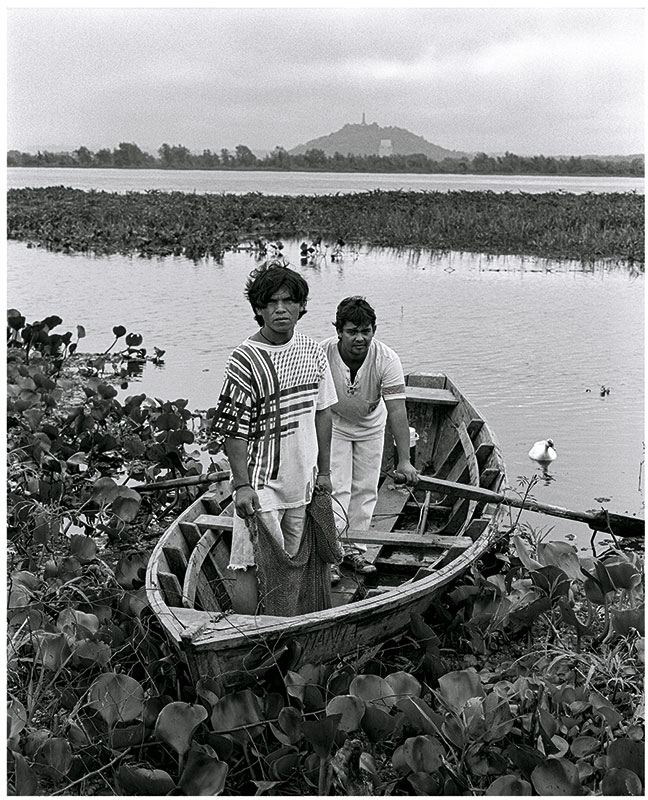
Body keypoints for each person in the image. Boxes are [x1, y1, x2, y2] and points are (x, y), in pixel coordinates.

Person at [212, 264, 337, 613]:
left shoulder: (313, 352)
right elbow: (233, 429)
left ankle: (285, 627)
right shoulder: (245, 359)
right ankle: (248, 635)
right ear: (259, 310)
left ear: (301, 306)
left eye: (288, 300)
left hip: (303, 481)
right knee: (251, 564)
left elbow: (323, 413)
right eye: (271, 302)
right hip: (261, 482)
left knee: (293, 563)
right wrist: (241, 485)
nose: (280, 309)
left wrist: (323, 473)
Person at [321, 296, 419, 578]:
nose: (360, 338)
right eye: (352, 331)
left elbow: (398, 411)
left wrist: (405, 461)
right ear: (339, 330)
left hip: (371, 424)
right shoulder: (322, 353)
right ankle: (331, 555)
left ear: (374, 330)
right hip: (334, 422)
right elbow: (310, 405)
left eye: (366, 331)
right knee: (336, 487)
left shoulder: (387, 359)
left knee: (365, 489)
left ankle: (354, 550)